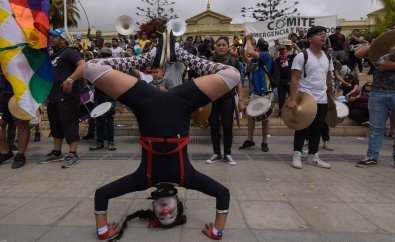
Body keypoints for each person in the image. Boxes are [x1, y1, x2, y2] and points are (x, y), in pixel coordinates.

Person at [84, 29, 240, 240]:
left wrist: (103, 232)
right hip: (182, 102)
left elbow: (102, 194)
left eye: (161, 215)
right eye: (171, 213)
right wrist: (216, 232)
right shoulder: (188, 178)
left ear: (152, 206)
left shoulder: (142, 179)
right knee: (233, 75)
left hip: (145, 101)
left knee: (91, 68)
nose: (165, 210)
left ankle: (150, 57)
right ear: (179, 203)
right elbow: (223, 194)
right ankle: (180, 54)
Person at [355, 20, 395, 173]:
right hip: (379, 91)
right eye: (391, 29)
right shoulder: (383, 45)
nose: (392, 31)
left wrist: (392, 66)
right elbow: (358, 53)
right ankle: (372, 156)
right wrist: (380, 40)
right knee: (376, 127)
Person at [287, 26, 334, 169]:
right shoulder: (302, 56)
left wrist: (331, 98)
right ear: (309, 38)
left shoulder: (327, 56)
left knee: (318, 128)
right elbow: (294, 79)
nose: (323, 36)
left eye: (324, 34)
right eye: (319, 34)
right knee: (302, 127)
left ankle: (313, 156)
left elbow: (329, 79)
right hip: (306, 98)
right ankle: (297, 155)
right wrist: (293, 99)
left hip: (322, 98)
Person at [39, 28, 85, 168]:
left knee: (69, 125)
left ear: (63, 39)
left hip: (67, 96)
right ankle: (57, 152)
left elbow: (83, 66)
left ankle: (72, 153)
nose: (51, 38)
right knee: (56, 126)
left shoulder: (70, 52)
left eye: (55, 36)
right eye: (51, 36)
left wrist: (70, 80)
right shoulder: (53, 56)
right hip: (54, 97)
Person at [206, 36, 245, 165]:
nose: (221, 47)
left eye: (224, 45)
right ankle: (216, 153)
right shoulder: (210, 61)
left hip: (228, 98)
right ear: (215, 47)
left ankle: (227, 153)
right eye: (219, 45)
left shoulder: (234, 61)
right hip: (213, 98)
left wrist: (240, 100)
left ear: (228, 46)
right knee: (214, 127)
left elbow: (239, 82)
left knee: (228, 126)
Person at [239, 36, 273, 152]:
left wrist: (248, 39)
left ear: (258, 48)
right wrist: (242, 54)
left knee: (265, 118)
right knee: (250, 116)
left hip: (265, 92)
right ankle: (250, 140)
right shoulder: (256, 59)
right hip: (255, 92)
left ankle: (264, 142)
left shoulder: (266, 55)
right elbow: (247, 61)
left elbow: (250, 52)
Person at [0, 69, 31, 169]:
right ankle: (5, 152)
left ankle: (20, 155)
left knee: (22, 123)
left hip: (19, 91)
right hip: (1, 92)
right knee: (1, 124)